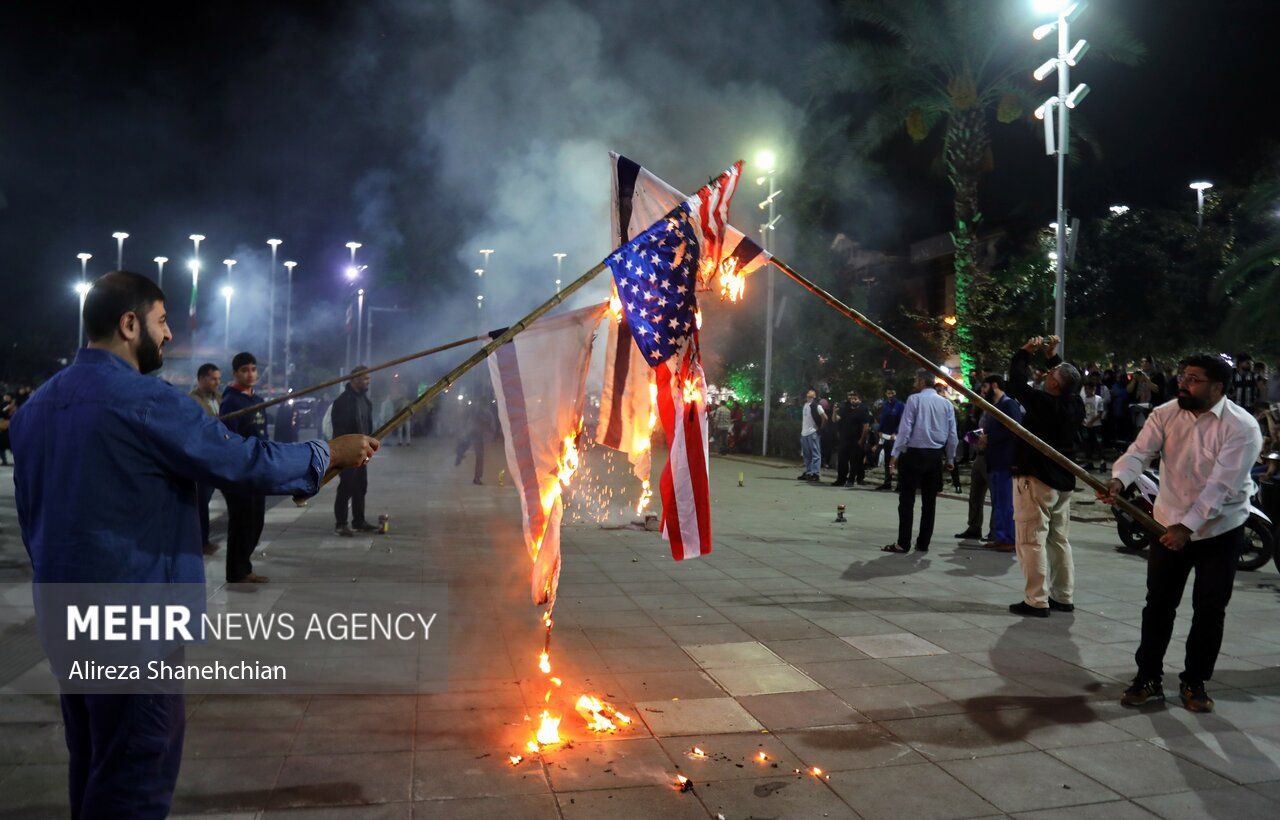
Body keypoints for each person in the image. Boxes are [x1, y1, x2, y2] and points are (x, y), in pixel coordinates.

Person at [9, 271, 377, 819]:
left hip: (63, 616)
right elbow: (240, 459)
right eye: (161, 322)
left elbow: (30, 511)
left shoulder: (36, 408)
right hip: (132, 621)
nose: (170, 336)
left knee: (92, 759)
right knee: (136, 770)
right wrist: (326, 454)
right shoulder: (144, 400)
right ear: (129, 323)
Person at [1100, 354, 1262, 713]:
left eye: (1193, 379)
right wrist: (1119, 479)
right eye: (1183, 376)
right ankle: (1148, 677)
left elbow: (1221, 487)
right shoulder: (1165, 414)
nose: (1182, 383)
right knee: (1158, 604)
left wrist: (1187, 528)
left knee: (1209, 607)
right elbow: (1139, 453)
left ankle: (1195, 681)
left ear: (1217, 387)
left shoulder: (1243, 427)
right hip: (1168, 522)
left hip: (1220, 529)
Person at [1004, 336, 1082, 617]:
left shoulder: (1043, 403)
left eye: (1050, 374)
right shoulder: (1075, 405)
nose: (1046, 374)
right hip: (1063, 480)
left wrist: (1024, 352)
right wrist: (1051, 356)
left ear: (1054, 385)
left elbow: (1015, 384)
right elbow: (1069, 382)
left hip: (1037, 478)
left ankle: (1036, 600)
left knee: (1031, 538)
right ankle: (1063, 595)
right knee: (1059, 540)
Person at [882, 369, 957, 553]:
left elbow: (905, 428)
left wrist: (895, 454)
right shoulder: (946, 404)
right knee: (929, 502)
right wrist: (950, 457)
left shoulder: (914, 399)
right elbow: (952, 433)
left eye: (916, 379)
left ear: (923, 381)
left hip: (914, 454)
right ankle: (923, 543)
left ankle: (903, 542)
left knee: (907, 500)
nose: (914, 382)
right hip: (934, 456)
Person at [219, 352, 272, 583]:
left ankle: (244, 567)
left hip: (258, 467)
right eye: (244, 370)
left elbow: (264, 434)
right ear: (235, 373)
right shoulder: (231, 401)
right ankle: (237, 572)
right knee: (242, 521)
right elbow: (228, 438)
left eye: (253, 369)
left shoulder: (258, 400)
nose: (250, 374)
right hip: (240, 470)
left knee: (256, 520)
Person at [978, 374, 1023, 551]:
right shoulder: (994, 407)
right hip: (994, 460)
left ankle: (1009, 539)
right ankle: (1000, 536)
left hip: (1005, 461)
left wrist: (990, 438)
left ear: (995, 385)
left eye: (985, 387)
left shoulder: (1009, 404)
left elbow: (1015, 431)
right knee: (997, 501)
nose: (982, 391)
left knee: (1006, 502)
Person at [332, 365, 379, 536]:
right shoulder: (343, 402)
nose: (367, 381)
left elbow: (368, 427)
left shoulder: (366, 402)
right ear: (354, 379)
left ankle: (359, 521)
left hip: (362, 453)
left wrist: (370, 446)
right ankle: (341, 523)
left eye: (368, 378)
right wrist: (344, 453)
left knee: (360, 486)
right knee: (346, 487)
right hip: (347, 454)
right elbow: (340, 431)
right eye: (364, 378)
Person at [188, 363, 222, 556]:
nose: (217, 382)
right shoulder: (192, 401)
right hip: (204, 457)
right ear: (201, 379)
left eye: (218, 378)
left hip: (221, 456)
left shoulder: (219, 398)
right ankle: (201, 542)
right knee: (201, 502)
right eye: (212, 378)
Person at [832, 390, 871, 486]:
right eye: (851, 398)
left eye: (855, 399)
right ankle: (841, 479)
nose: (853, 400)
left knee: (854, 461)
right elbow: (835, 420)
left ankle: (851, 480)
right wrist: (834, 412)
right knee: (842, 460)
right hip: (844, 438)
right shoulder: (845, 408)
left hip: (856, 439)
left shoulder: (863, 409)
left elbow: (866, 427)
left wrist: (861, 440)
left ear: (860, 400)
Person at [875, 387, 904, 491]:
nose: (890, 395)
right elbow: (883, 419)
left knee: (897, 460)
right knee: (888, 460)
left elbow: (902, 420)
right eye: (888, 393)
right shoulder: (886, 404)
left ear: (895, 393)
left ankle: (900, 484)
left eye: (892, 392)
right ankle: (887, 482)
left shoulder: (900, 405)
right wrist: (880, 430)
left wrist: (896, 432)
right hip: (886, 436)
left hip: (896, 436)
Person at [797, 388, 826, 481]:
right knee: (806, 455)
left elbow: (825, 417)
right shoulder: (805, 405)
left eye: (811, 392)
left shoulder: (816, 405)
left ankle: (815, 473)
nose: (809, 393)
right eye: (808, 391)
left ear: (815, 395)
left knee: (815, 454)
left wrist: (820, 428)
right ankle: (808, 472)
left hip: (813, 432)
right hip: (804, 433)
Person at [1080, 380, 1106, 472]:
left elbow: (1100, 412)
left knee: (1098, 444)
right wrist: (1084, 421)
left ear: (1093, 389)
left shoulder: (1098, 399)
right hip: (1085, 424)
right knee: (1087, 445)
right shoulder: (1082, 398)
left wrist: (1091, 421)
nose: (1087, 391)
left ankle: (1102, 462)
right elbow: (1081, 411)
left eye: (1089, 389)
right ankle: (1089, 462)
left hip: (1096, 425)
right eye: (1086, 389)